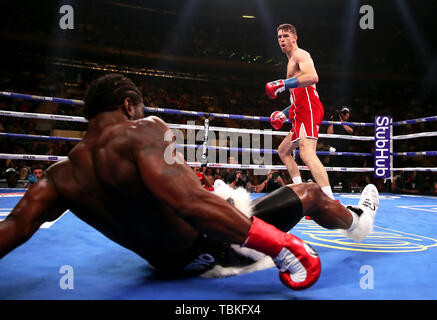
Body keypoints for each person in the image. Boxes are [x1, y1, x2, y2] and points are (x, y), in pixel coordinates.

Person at [0, 74, 379, 290]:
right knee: (309, 192)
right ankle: (358, 223)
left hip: (168, 267)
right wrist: (279, 245)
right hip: (215, 245)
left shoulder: (60, 176)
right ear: (129, 107)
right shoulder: (143, 130)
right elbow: (190, 204)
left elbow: (14, 227)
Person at [266, 24, 335, 200]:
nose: (282, 39)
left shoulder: (300, 55)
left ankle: (330, 200)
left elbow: (313, 77)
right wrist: (284, 113)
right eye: (279, 36)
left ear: (295, 38)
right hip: (299, 109)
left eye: (286, 35)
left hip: (309, 107)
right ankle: (299, 190)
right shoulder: (289, 62)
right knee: (283, 151)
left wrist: (283, 84)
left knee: (306, 153)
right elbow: (297, 99)